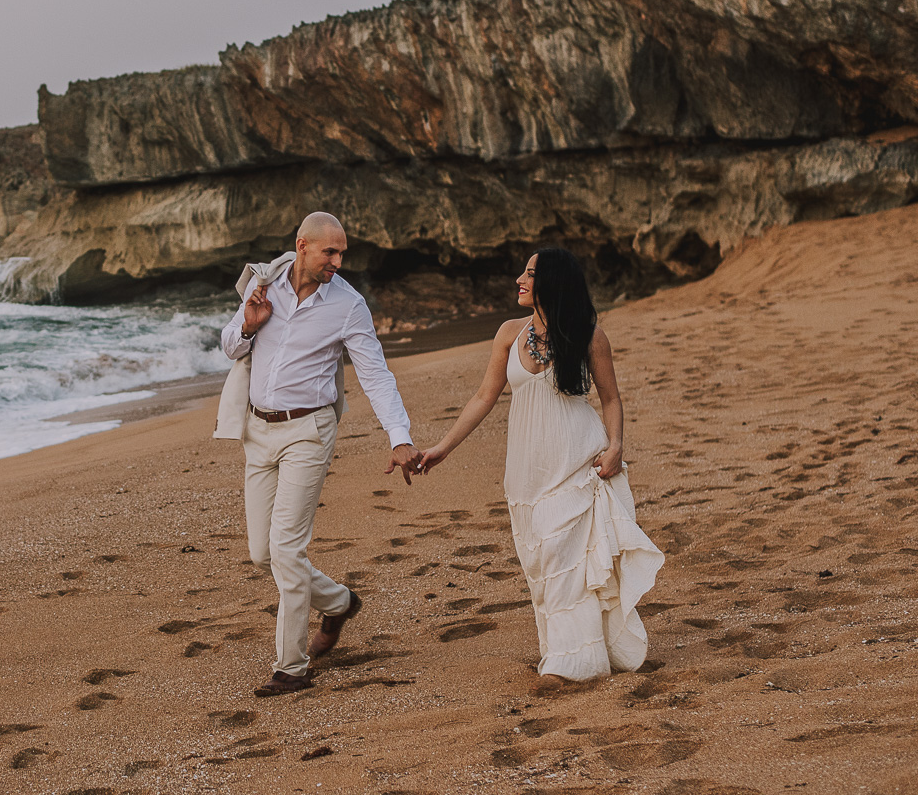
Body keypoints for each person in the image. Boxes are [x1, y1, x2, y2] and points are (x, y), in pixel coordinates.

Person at [417, 248, 663, 689]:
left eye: (529, 274)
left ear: (551, 282)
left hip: (577, 459)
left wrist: (616, 447)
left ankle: (571, 665)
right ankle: (564, 651)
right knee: (541, 563)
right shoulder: (510, 334)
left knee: (564, 556)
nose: (519, 279)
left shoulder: (590, 336)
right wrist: (442, 449)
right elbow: (482, 398)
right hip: (527, 470)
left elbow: (610, 399)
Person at [216, 211, 420, 697]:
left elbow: (375, 375)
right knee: (262, 554)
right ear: (302, 245)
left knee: (286, 549)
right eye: (330, 252)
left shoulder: (348, 305)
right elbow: (229, 347)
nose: (338, 261)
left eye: (342, 254)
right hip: (257, 429)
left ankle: (291, 667)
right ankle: (339, 602)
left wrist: (399, 436)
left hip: (309, 430)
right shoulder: (263, 284)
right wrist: (249, 325)